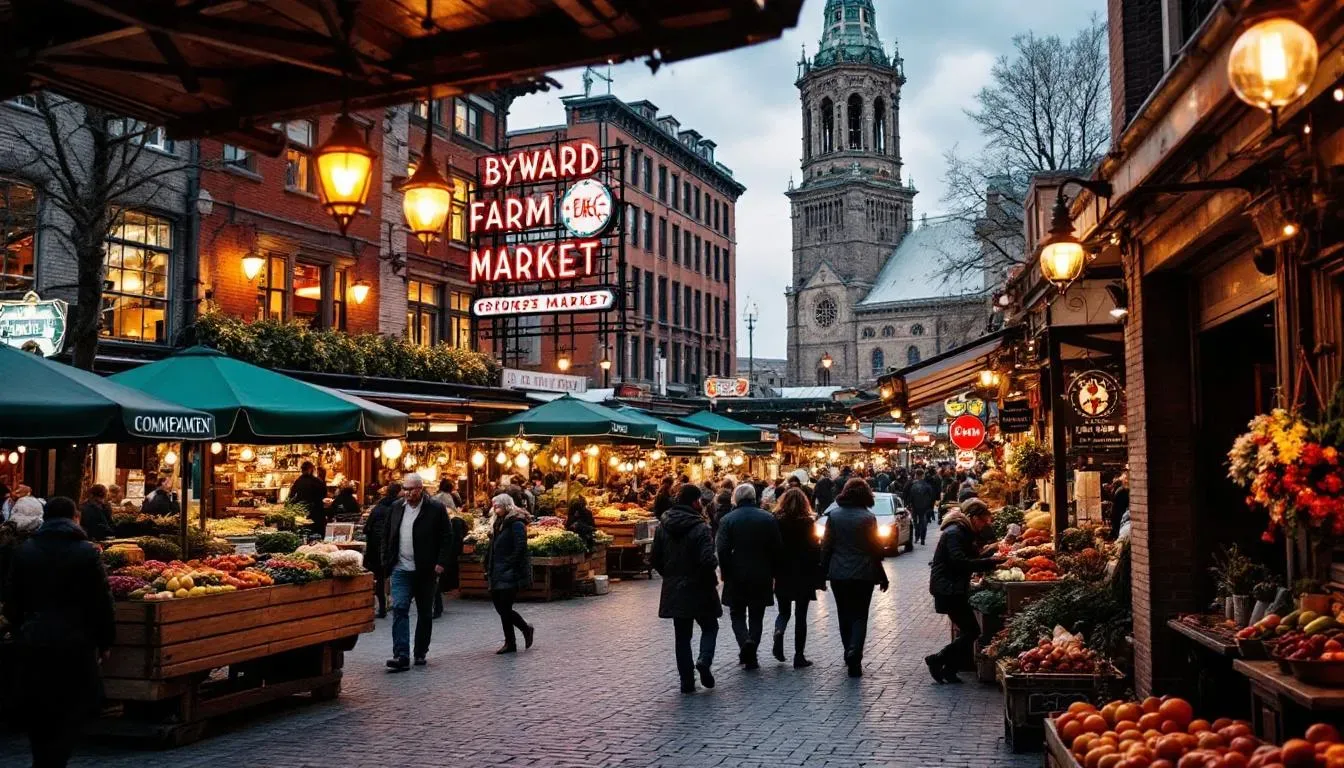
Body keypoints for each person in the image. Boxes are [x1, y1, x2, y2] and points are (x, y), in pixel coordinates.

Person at [3, 496, 114, 768]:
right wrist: (105, 640)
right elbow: (101, 601)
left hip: (35, 641)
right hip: (75, 643)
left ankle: (43, 759)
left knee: (38, 707)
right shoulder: (87, 553)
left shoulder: (25, 551)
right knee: (70, 708)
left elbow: (12, 601)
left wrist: (21, 629)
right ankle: (54, 761)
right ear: (75, 517)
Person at [651, 483, 721, 693]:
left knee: (682, 637)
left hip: (675, 589)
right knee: (710, 627)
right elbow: (707, 560)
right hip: (700, 587)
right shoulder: (700, 527)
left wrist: (671, 575)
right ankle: (704, 660)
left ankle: (686, 682)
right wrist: (712, 568)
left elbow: (655, 558)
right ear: (694, 502)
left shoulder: (663, 526)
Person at [380, 473, 453, 670]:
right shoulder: (396, 508)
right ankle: (401, 654)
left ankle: (420, 651)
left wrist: (440, 563)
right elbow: (387, 534)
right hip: (401, 568)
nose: (407, 493)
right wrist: (387, 560)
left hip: (425, 570)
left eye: (411, 489)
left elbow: (447, 537)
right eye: (405, 489)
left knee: (424, 613)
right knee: (400, 608)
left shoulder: (435, 509)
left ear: (420, 489)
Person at [926, 498, 1003, 684]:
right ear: (973, 517)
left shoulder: (962, 532)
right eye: (983, 521)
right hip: (949, 588)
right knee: (972, 630)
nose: (984, 526)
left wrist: (990, 552)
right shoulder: (955, 533)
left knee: (968, 630)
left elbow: (967, 558)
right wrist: (992, 562)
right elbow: (960, 562)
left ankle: (949, 670)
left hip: (952, 587)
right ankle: (938, 659)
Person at [821, 477, 889, 677]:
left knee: (844, 614)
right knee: (860, 615)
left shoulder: (834, 516)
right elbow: (875, 549)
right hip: (863, 573)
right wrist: (882, 575)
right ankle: (855, 653)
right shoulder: (868, 518)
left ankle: (847, 650)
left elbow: (826, 547)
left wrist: (822, 573)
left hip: (839, 574)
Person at [715, 483, 782, 671]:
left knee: (737, 614)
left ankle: (745, 644)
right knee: (756, 615)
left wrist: (725, 573)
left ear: (736, 498)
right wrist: (774, 572)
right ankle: (751, 648)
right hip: (761, 573)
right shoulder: (768, 518)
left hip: (736, 573)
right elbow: (777, 548)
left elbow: (722, 549)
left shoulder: (728, 519)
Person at [771, 488, 822, 668]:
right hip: (803, 572)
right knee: (801, 615)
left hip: (783, 571)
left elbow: (773, 547)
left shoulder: (776, 521)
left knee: (784, 611)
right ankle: (799, 656)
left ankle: (779, 630)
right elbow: (814, 547)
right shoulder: (807, 522)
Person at [485, 493, 535, 654]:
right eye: (494, 505)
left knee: (505, 607)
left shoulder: (516, 523)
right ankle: (521, 632)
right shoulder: (498, 523)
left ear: (506, 505)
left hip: (509, 571)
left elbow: (521, 547)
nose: (495, 508)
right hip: (496, 570)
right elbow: (493, 546)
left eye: (498, 505)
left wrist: (510, 564)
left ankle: (513, 639)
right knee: (501, 608)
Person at [363, 482, 400, 618]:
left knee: (379, 576)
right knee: (394, 575)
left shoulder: (378, 507)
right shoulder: (401, 507)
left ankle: (382, 607)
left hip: (376, 548)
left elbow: (367, 528)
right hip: (394, 547)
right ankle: (396, 603)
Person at [288, 461, 328, 537]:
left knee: (304, 533)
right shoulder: (317, 481)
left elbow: (291, 496)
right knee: (318, 534)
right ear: (311, 469)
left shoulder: (298, 481)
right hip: (316, 511)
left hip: (302, 511)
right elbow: (324, 494)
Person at [905, 469, 938, 546]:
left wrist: (908, 504)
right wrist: (930, 506)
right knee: (923, 522)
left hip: (915, 506)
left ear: (916, 475)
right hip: (925, 507)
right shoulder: (927, 485)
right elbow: (931, 496)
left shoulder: (912, 484)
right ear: (923, 475)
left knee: (916, 522)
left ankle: (917, 537)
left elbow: (908, 494)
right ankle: (922, 538)